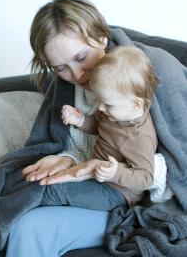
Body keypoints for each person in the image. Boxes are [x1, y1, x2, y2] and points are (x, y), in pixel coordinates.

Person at [0, 0, 184, 257]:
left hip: (126, 194)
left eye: (81, 57)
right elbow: (69, 136)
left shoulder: (151, 69)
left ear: (101, 36)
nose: (76, 76)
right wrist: (65, 157)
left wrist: (107, 168)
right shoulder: (65, 85)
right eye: (61, 67)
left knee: (29, 227)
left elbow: (175, 157)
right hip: (87, 178)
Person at [61, 46, 158, 207]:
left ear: (135, 104)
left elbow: (145, 178)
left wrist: (115, 173)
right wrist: (80, 120)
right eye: (100, 101)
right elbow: (98, 126)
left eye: (107, 104)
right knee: (57, 186)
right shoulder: (114, 113)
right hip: (96, 176)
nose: (100, 108)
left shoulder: (139, 137)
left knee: (60, 193)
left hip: (119, 192)